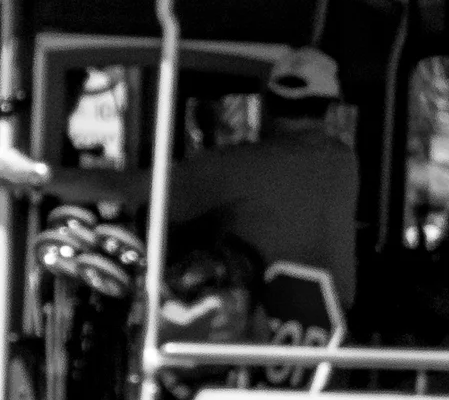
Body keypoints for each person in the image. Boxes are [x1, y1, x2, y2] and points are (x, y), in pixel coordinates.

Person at [51, 47, 360, 314]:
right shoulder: (345, 163)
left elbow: (129, 188)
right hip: (335, 336)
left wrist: (37, 176)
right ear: (331, 108)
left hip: (250, 337)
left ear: (267, 103)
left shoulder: (237, 166)